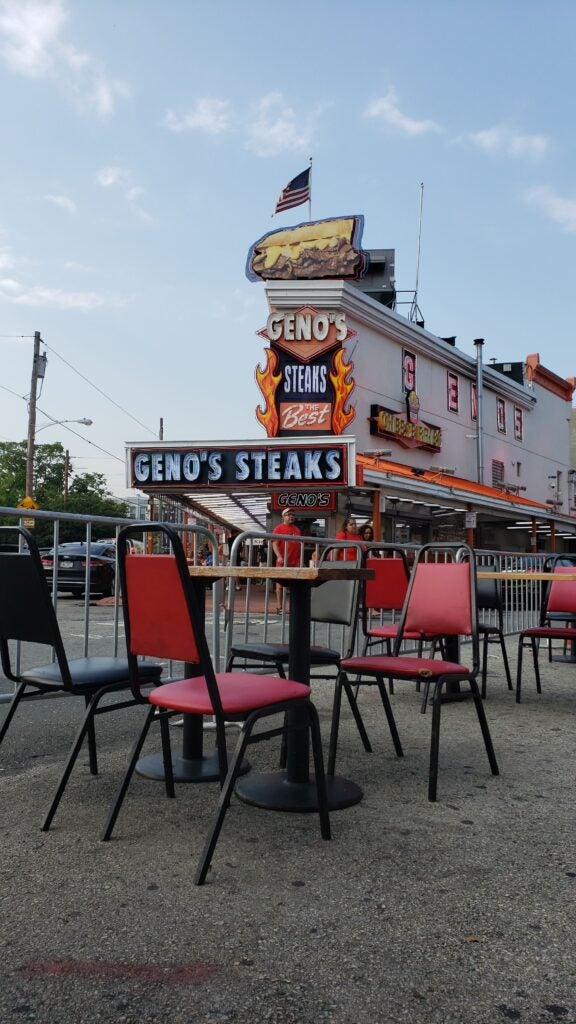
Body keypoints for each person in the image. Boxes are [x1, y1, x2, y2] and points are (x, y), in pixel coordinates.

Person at [272, 509, 302, 612]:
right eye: (288, 514)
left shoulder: (297, 530)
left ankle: (294, 607)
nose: (291, 516)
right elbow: (274, 543)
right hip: (282, 561)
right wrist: (279, 556)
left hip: (295, 561)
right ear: (283, 517)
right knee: (280, 586)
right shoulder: (278, 528)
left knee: (295, 585)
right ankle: (280, 607)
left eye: (293, 514)